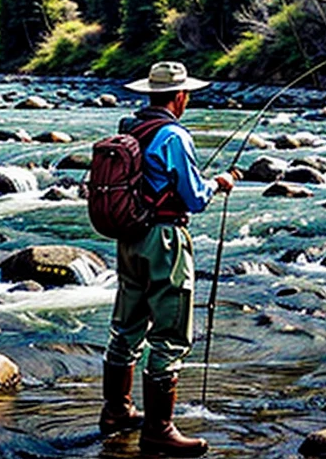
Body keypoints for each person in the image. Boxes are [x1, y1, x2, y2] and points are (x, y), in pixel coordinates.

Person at [100, 61, 237, 457]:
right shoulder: (173, 135)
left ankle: (116, 411)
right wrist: (220, 183)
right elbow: (195, 197)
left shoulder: (131, 128)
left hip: (128, 237)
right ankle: (159, 429)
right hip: (164, 240)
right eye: (187, 93)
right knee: (170, 333)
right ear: (179, 96)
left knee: (126, 324)